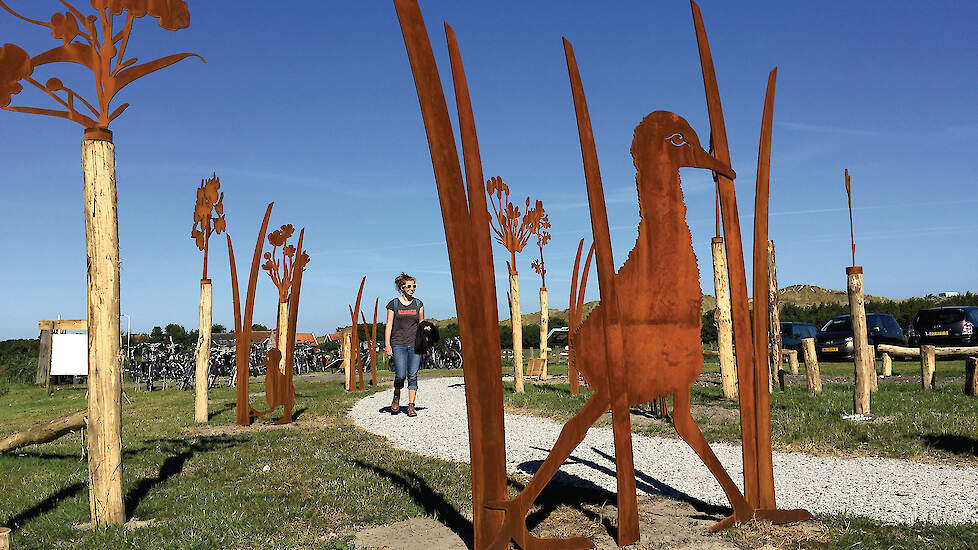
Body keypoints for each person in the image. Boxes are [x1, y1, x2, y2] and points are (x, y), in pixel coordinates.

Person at [385, 272, 425, 416]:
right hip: (398, 344)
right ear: (402, 287)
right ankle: (396, 395)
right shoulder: (394, 304)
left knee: (413, 375)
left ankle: (411, 406)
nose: (412, 288)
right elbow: (389, 325)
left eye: (414, 286)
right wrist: (387, 344)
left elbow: (421, 324)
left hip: (415, 344)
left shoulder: (419, 304)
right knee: (401, 375)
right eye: (409, 286)